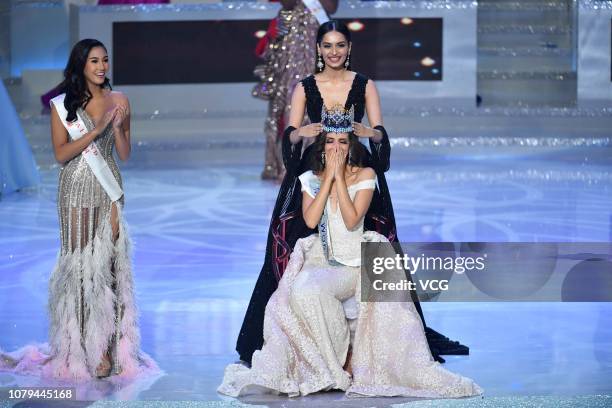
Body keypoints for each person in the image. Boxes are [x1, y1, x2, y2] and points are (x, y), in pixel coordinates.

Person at [236, 20, 468, 366]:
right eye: (327, 46)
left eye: (340, 45)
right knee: (290, 243)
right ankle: (287, 333)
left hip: (355, 168)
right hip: (313, 170)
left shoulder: (364, 85)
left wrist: (367, 132)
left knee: (375, 242)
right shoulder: (304, 87)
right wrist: (302, 132)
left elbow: (380, 136)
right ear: (317, 49)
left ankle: (385, 335)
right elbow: (289, 137)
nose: (334, 52)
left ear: (349, 48)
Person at [219, 105, 483, 398]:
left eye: (342, 141)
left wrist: (339, 179)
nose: (336, 147)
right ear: (323, 145)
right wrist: (328, 178)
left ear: (350, 145)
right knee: (297, 292)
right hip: (321, 255)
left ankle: (341, 362)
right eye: (330, 141)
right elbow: (309, 220)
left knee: (313, 291)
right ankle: (329, 364)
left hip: (354, 260)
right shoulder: (311, 178)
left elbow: (351, 218)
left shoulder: (366, 174)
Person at [1, 39, 154, 381]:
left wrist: (116, 129)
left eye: (105, 60)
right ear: (81, 66)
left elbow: (125, 153)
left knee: (109, 266)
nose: (102, 67)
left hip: (109, 186)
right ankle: (81, 346)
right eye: (94, 61)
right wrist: (96, 130)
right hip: (75, 189)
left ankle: (106, 349)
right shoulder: (62, 105)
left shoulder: (120, 101)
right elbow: (60, 154)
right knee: (81, 268)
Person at [254, 0, 338, 180]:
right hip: (291, 38)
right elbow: (287, 2)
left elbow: (331, 7)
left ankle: (316, 161)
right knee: (290, 98)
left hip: (316, 35)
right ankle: (286, 163)